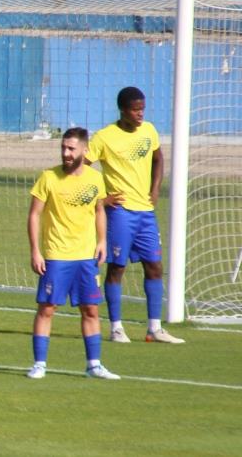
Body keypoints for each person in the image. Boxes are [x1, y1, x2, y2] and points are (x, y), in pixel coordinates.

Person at [87, 86, 184, 344]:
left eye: (142, 108)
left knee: (154, 266)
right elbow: (80, 171)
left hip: (146, 213)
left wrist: (154, 189)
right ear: (123, 110)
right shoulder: (104, 137)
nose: (140, 113)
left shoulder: (149, 130)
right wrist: (101, 200)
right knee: (117, 267)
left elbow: (158, 158)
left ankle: (154, 327)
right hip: (120, 213)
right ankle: (116, 328)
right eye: (135, 109)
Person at [26, 127, 119, 380]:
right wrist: (36, 251)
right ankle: (39, 364)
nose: (66, 153)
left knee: (90, 310)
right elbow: (34, 214)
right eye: (63, 148)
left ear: (84, 150)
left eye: (71, 149)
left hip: (86, 257)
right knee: (47, 309)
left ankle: (94, 365)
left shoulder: (95, 179)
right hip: (56, 255)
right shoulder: (48, 178)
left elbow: (99, 210)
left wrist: (102, 242)